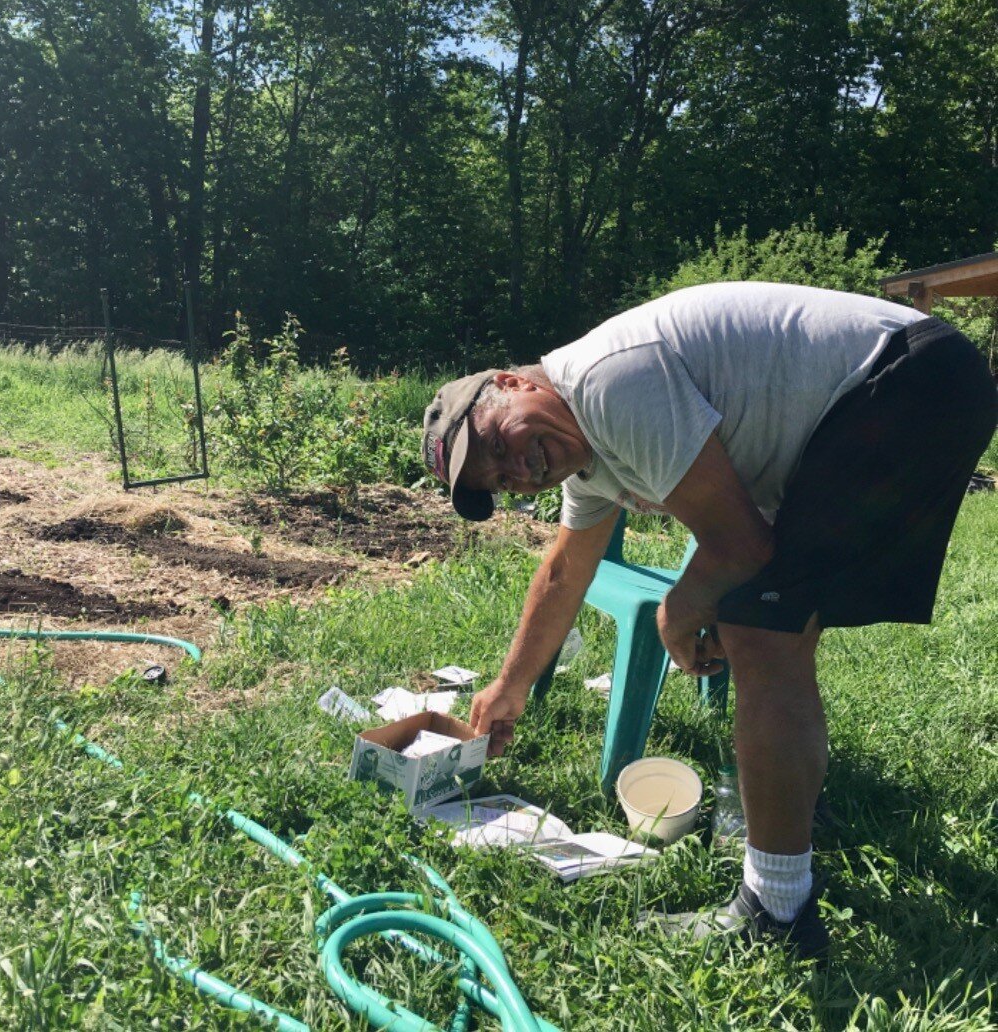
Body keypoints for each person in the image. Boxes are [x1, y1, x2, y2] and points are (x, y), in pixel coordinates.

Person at [421, 281, 996, 957]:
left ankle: (775, 912)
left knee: (759, 629)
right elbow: (565, 570)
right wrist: (509, 688)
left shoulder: (607, 382)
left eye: (495, 444)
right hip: (918, 381)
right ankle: (791, 816)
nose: (514, 471)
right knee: (771, 624)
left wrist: (676, 612)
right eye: (497, 483)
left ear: (516, 382)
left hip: (906, 379)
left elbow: (740, 545)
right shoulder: (590, 459)